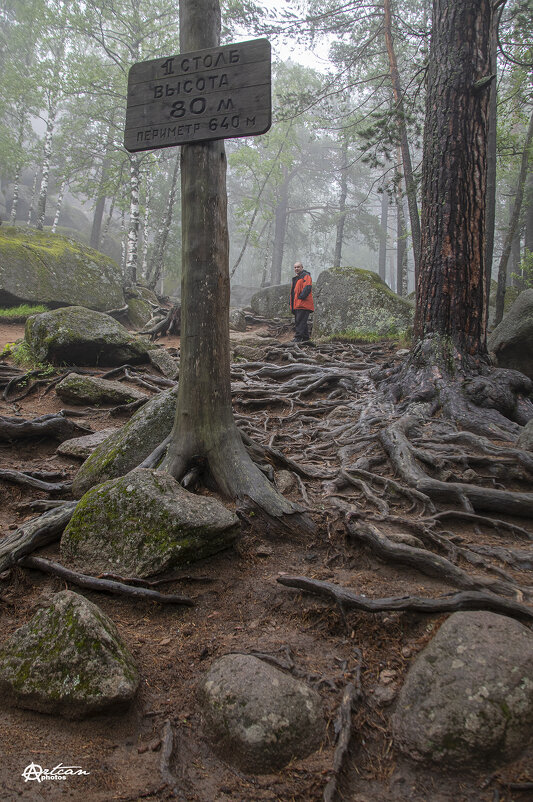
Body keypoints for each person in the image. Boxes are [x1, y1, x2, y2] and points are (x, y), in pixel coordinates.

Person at [289, 261, 314, 342]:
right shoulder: (296, 278)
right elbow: (293, 292)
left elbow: (307, 288)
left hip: (303, 304)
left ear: (302, 267)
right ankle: (306, 339)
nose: (296, 269)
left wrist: (301, 297)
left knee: (300, 321)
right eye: (295, 267)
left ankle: (298, 337)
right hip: (297, 304)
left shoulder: (306, 276)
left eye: (298, 267)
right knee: (301, 321)